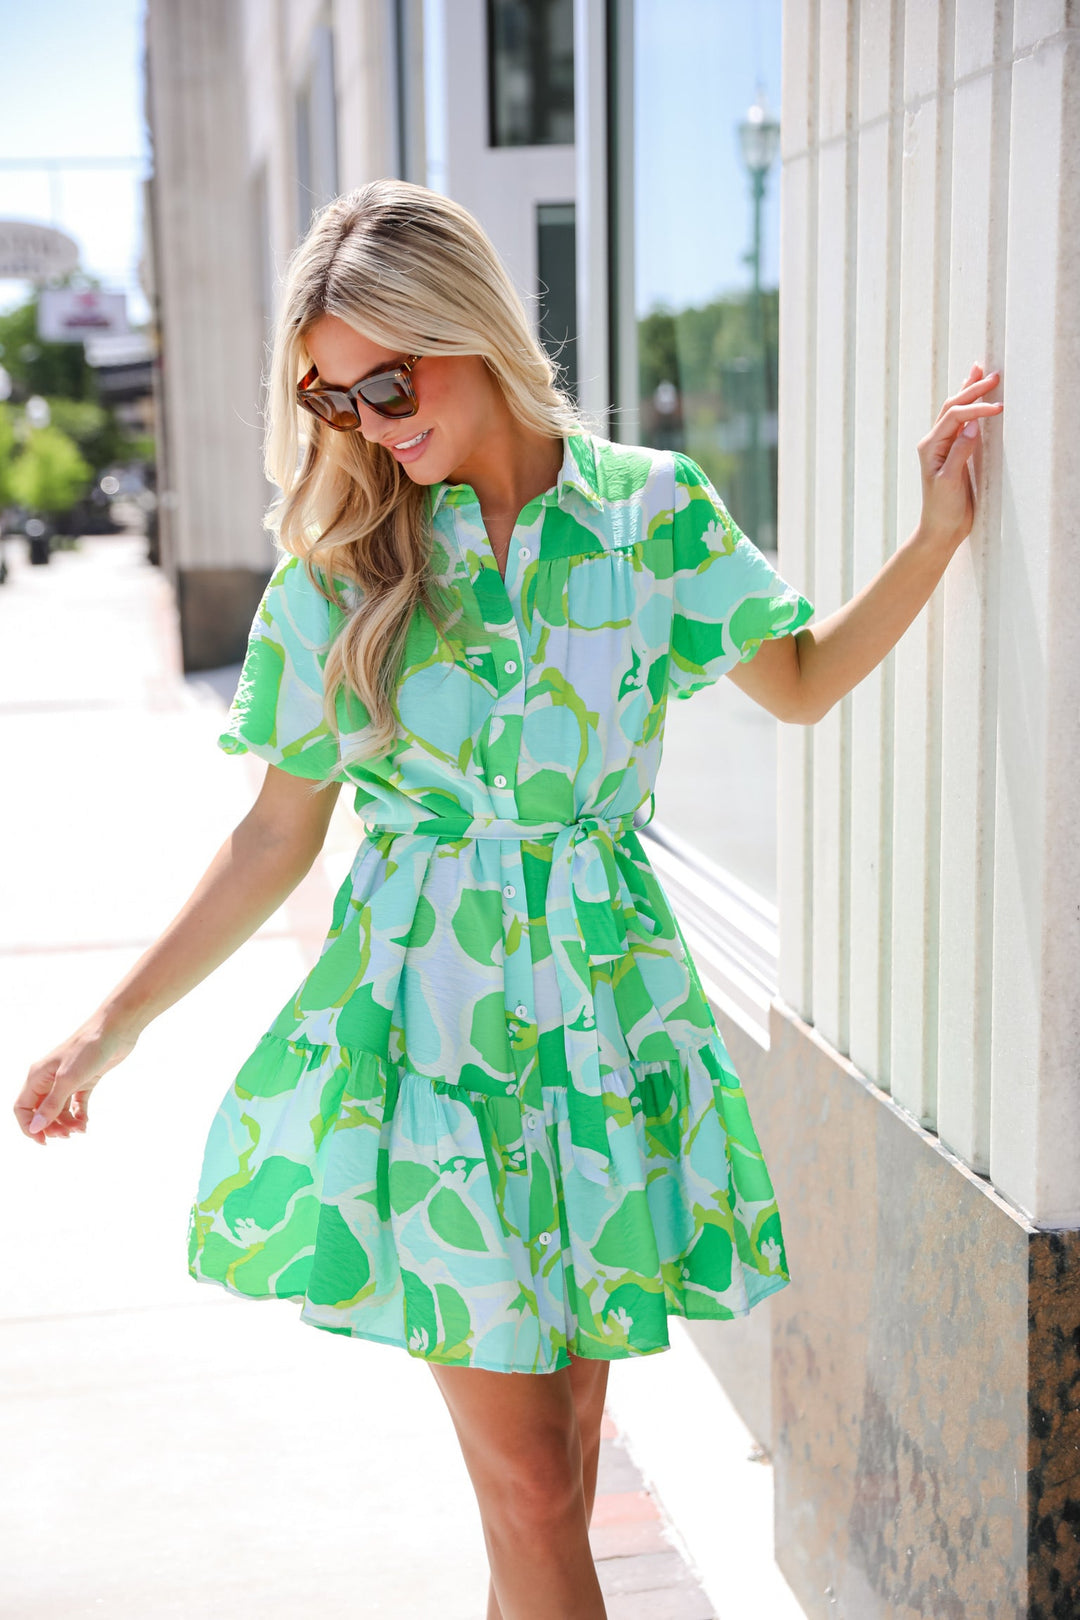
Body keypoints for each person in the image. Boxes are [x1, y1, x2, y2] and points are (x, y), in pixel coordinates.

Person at [13, 179, 1003, 1620]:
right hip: (435, 1049)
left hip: (606, 1033)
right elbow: (274, 838)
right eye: (336, 399)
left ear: (463, 326)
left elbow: (795, 686)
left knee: (567, 1466)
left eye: (390, 380)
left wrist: (932, 540)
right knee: (535, 1494)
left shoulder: (649, 514)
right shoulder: (342, 576)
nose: (369, 421)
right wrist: (113, 1027)